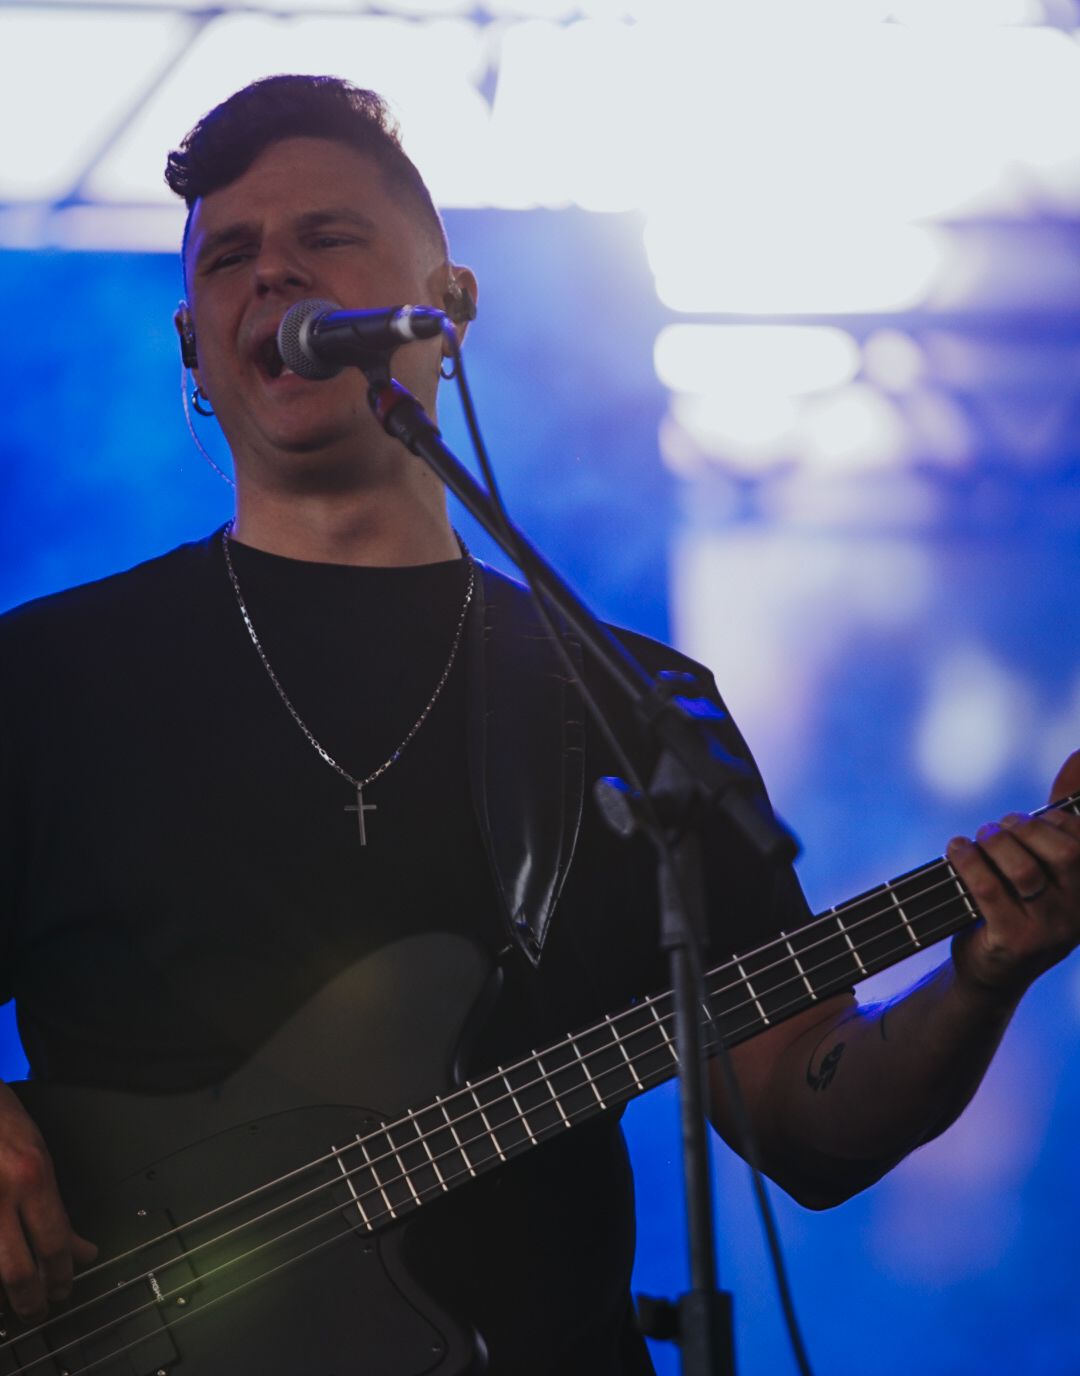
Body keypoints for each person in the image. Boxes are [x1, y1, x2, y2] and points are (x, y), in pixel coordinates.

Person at [0, 74, 1077, 1374]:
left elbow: (802, 1116)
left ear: (444, 310)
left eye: (326, 238)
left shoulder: (629, 704)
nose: (271, 275)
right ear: (195, 347)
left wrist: (980, 975)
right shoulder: (46, 680)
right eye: (229, 258)